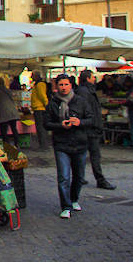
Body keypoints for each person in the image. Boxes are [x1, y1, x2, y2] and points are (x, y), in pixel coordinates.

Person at [44, 74, 93, 219]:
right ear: (57, 87)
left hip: (80, 144)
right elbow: (46, 123)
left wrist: (79, 122)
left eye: (66, 84)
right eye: (61, 85)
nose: (63, 87)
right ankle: (65, 206)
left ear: (71, 85)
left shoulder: (80, 101)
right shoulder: (53, 103)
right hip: (61, 144)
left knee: (79, 176)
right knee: (63, 177)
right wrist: (60, 125)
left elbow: (91, 119)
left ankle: (74, 199)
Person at [75, 70, 115, 189]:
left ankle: (80, 177)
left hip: (90, 126)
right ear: (88, 78)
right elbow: (85, 109)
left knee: (84, 154)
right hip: (89, 128)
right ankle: (99, 179)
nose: (94, 79)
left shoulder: (86, 90)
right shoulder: (85, 91)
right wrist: (91, 122)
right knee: (93, 154)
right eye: (93, 77)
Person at [0, 78, 20, 148]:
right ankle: (17, 144)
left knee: (4, 131)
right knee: (14, 129)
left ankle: (7, 145)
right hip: (12, 112)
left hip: (4, 113)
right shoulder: (8, 90)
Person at [30, 71, 49, 150]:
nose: (31, 77)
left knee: (40, 128)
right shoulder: (37, 84)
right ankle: (42, 144)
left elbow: (42, 95)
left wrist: (47, 105)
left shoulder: (40, 84)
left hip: (40, 109)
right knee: (40, 128)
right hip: (38, 108)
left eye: (32, 75)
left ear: (36, 76)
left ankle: (43, 145)